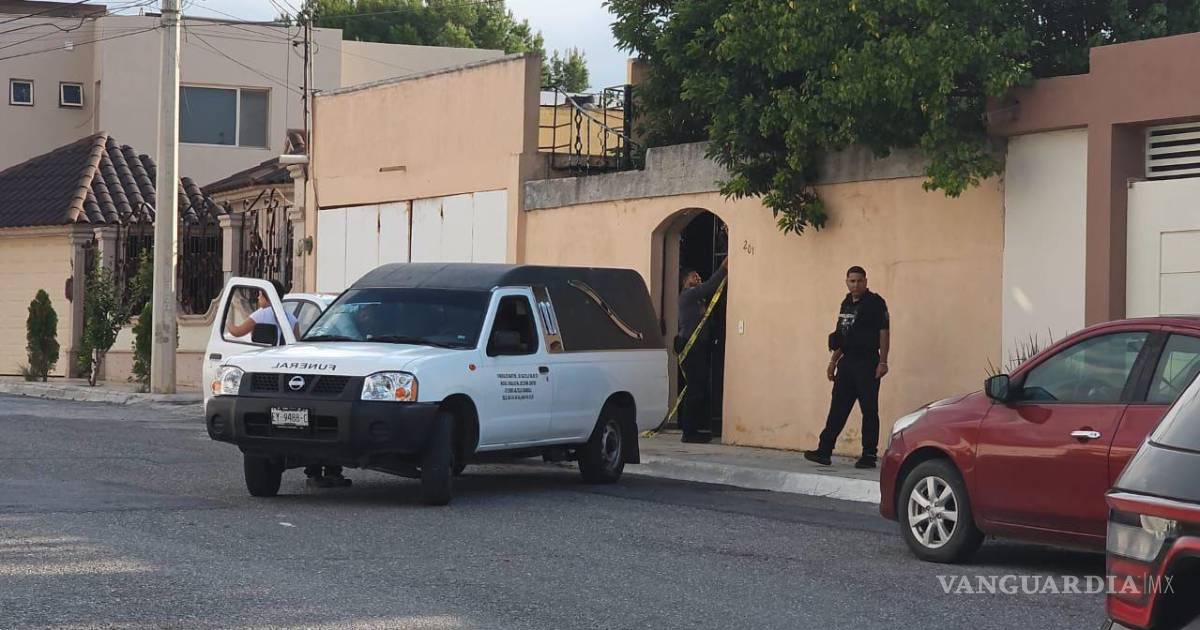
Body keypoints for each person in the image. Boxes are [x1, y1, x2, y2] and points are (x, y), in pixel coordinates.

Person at [226, 280, 350, 488]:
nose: (258, 299)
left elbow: (238, 332)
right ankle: (327, 471)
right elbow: (298, 343)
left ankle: (312, 470)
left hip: (268, 374)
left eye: (260, 295)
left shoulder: (262, 314)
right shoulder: (291, 318)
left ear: (267, 296)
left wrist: (226, 323)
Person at [805, 266, 890, 469]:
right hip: (847, 362)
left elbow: (884, 332)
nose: (856, 285)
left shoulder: (876, 303)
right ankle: (824, 450)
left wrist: (883, 362)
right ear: (847, 282)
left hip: (867, 362)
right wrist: (833, 361)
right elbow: (843, 335)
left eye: (859, 281)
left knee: (869, 409)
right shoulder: (846, 303)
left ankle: (869, 455)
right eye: (852, 281)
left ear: (866, 281)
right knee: (838, 407)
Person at [676, 258, 728, 444]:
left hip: (700, 347)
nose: (698, 278)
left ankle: (695, 429)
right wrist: (723, 268)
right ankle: (689, 432)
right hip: (691, 348)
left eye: (698, 276)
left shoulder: (698, 299)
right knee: (695, 390)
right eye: (693, 276)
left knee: (700, 389)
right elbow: (710, 286)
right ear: (685, 281)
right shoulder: (688, 295)